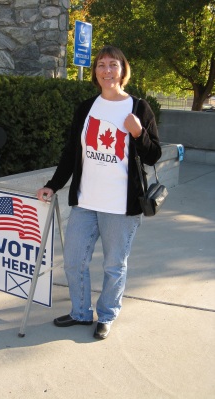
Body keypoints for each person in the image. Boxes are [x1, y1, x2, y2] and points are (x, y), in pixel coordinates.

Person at [37, 45, 161, 340]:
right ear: (96, 72)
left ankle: (106, 315)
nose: (107, 70)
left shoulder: (138, 108)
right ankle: (81, 312)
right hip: (86, 201)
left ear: (123, 70)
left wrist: (137, 133)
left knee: (113, 265)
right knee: (73, 260)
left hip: (121, 205)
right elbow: (71, 153)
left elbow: (154, 154)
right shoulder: (86, 107)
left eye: (113, 65)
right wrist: (53, 185)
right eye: (101, 65)